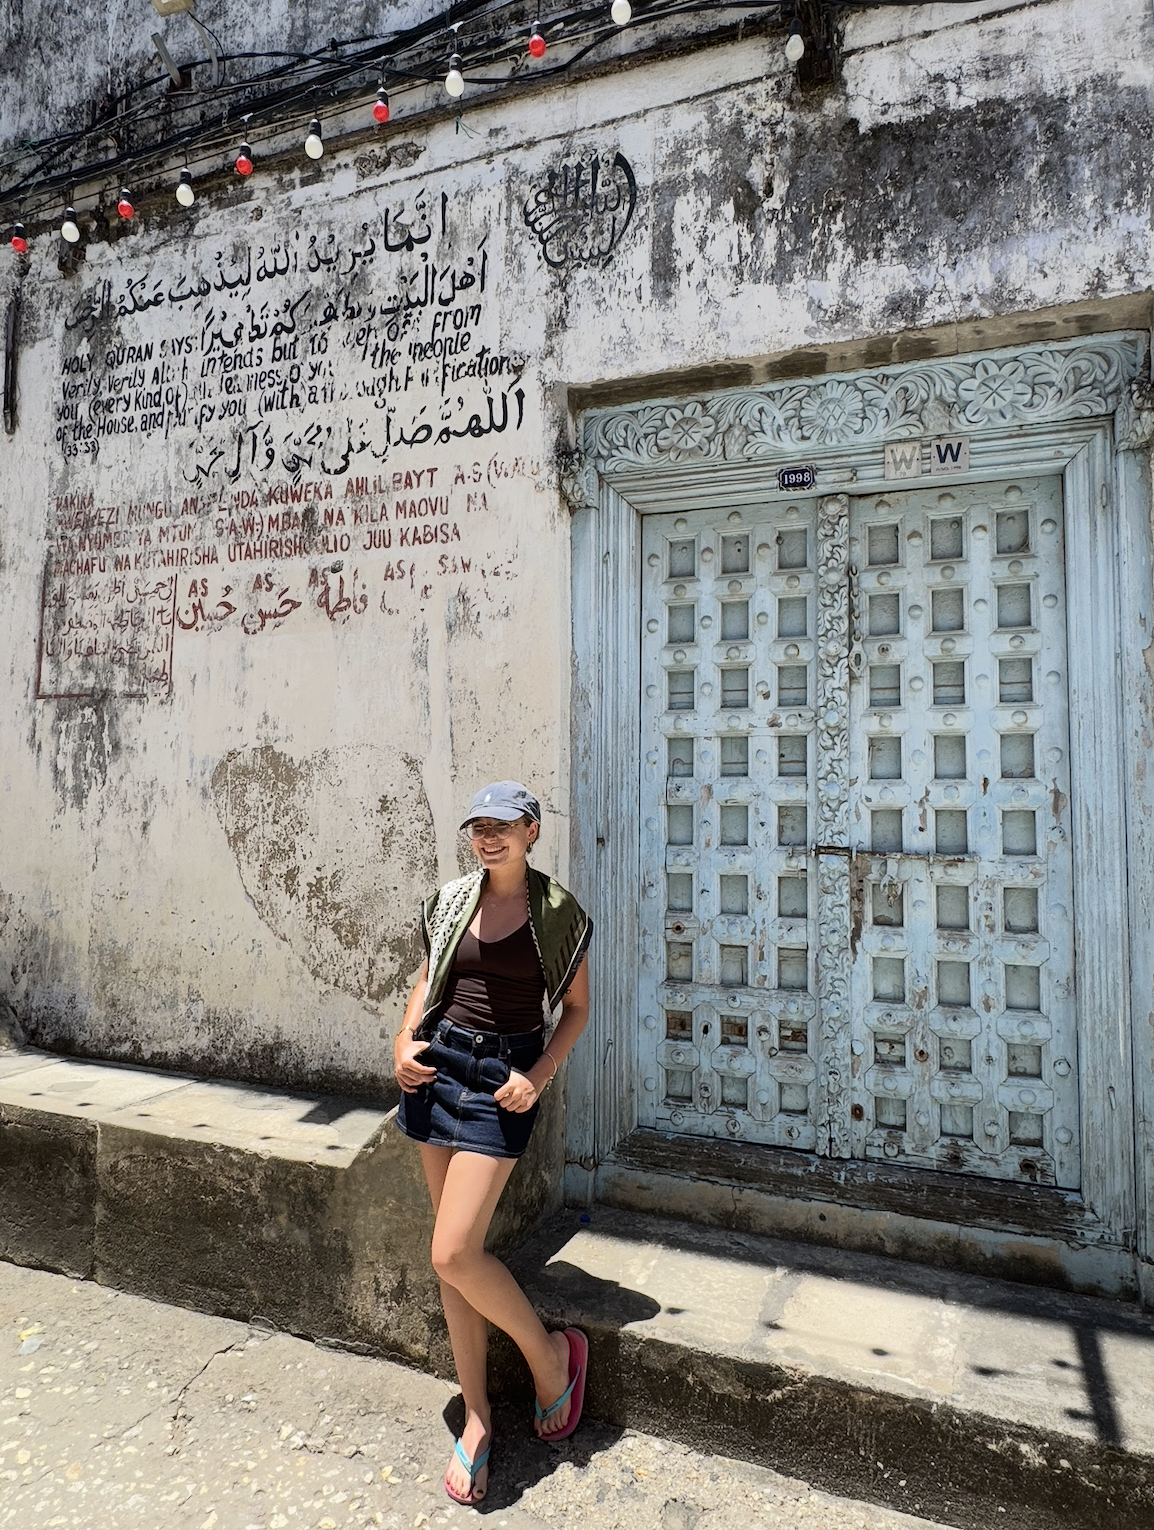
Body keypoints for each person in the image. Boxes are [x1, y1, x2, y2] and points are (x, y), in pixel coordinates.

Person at [393, 780, 593, 1507]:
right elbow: (427, 980)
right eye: (479, 825)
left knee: (452, 1251)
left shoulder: (556, 912)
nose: (488, 836)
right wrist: (401, 1040)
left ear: (532, 830)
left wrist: (536, 1077)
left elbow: (574, 1010)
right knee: (454, 1262)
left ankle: (549, 1359)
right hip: (436, 1069)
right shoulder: (451, 900)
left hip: (503, 1082)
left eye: (503, 825)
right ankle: (477, 1416)